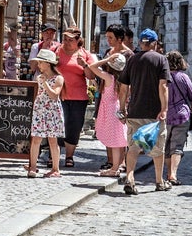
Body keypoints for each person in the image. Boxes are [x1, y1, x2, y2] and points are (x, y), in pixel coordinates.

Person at [118, 28, 172, 194]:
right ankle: (159, 181)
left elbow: (123, 87)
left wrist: (122, 109)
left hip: (134, 111)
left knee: (133, 147)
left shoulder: (132, 60)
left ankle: (130, 177)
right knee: (158, 149)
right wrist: (164, 108)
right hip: (153, 112)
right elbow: (162, 86)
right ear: (155, 43)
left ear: (141, 43)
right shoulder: (161, 60)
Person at [54, 27, 95, 168]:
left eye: (70, 40)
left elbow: (91, 76)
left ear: (78, 41)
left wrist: (84, 65)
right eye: (65, 38)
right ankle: (55, 156)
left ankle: (69, 157)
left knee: (74, 127)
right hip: (59, 94)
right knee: (58, 125)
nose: (66, 42)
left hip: (79, 97)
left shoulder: (84, 54)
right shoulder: (57, 51)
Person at [98, 24, 133, 170]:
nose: (108, 40)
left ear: (120, 39)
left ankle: (122, 161)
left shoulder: (129, 55)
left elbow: (132, 76)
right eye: (107, 37)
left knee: (120, 128)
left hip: (122, 93)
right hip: (107, 91)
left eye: (111, 38)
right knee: (108, 126)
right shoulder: (108, 52)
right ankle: (111, 160)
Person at [26, 50, 65, 178]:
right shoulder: (39, 77)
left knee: (52, 140)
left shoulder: (59, 78)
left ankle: (55, 169)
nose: (38, 65)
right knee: (36, 138)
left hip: (52, 111)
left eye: (40, 62)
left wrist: (45, 84)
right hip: (40, 109)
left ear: (48, 63)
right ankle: (32, 167)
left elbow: (54, 95)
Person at [88, 53, 128, 177]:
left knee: (115, 142)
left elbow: (92, 67)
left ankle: (114, 168)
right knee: (119, 140)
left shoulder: (109, 77)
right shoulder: (121, 78)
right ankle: (117, 166)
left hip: (110, 110)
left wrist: (106, 60)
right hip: (117, 108)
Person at [165, 50, 192, 186]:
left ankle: (168, 173)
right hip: (182, 115)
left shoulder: (163, 78)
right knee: (177, 146)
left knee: (166, 146)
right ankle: (173, 174)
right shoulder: (183, 77)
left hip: (165, 115)